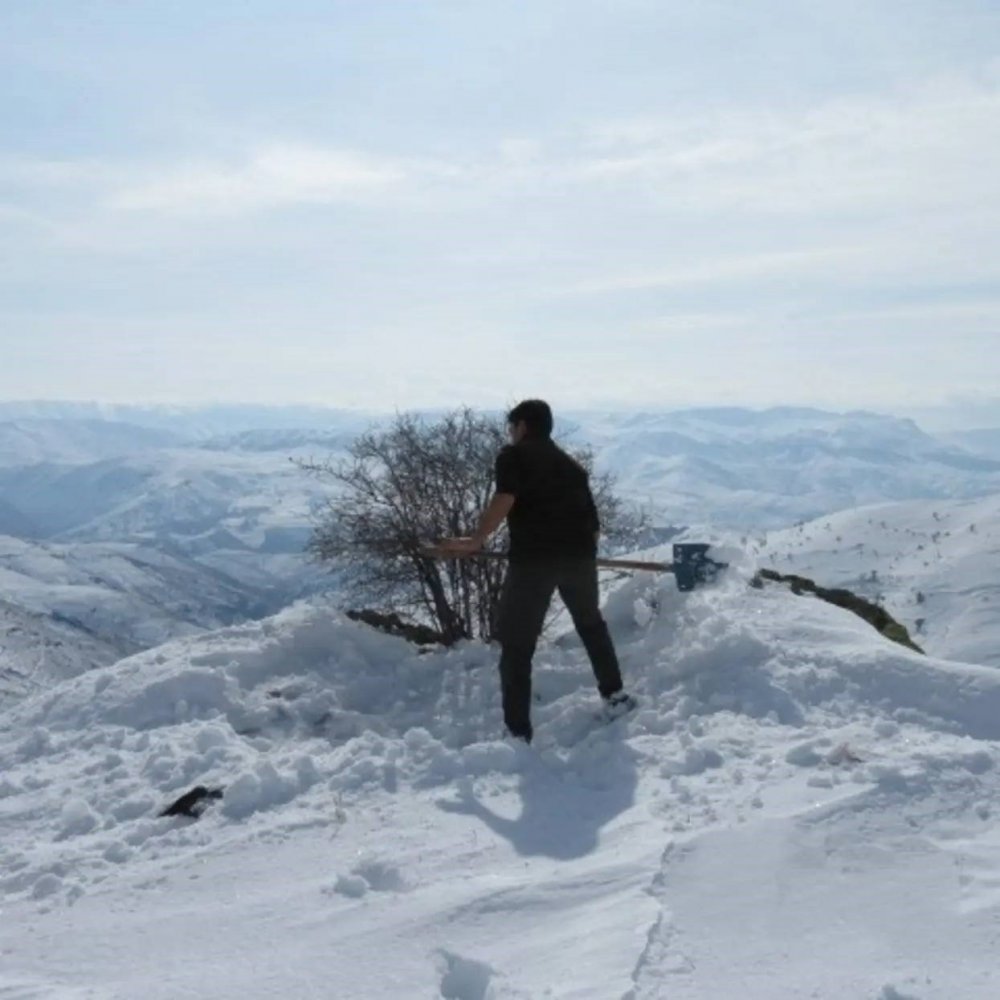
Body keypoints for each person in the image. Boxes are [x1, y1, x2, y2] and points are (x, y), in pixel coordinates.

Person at [438, 399, 634, 743]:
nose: (510, 435)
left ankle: (517, 732)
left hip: (534, 562)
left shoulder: (512, 456)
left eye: (512, 428)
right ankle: (615, 696)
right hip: (580, 560)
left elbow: (505, 498)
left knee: (517, 644)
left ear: (523, 426)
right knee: (591, 627)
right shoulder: (572, 466)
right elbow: (593, 527)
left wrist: (476, 539)